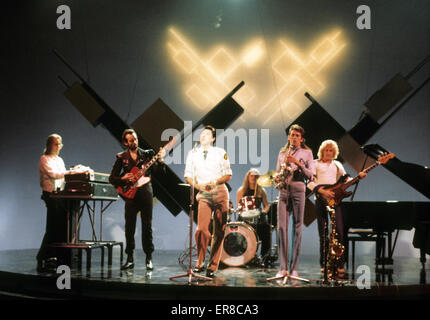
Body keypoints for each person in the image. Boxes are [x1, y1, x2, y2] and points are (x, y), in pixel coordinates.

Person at [109, 129, 165, 271]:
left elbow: (159, 173)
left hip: (146, 192)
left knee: (147, 226)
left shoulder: (148, 154)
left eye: (135, 139)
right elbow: (112, 178)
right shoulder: (122, 157)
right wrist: (123, 178)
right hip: (131, 196)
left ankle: (148, 258)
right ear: (125, 142)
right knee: (129, 228)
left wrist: (160, 161)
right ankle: (130, 259)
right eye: (131, 140)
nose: (134, 142)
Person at [307, 139, 366, 274]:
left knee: (339, 232)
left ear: (334, 152)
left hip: (335, 200)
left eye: (331, 150)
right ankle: (324, 264)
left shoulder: (337, 164)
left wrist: (359, 177)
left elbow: (346, 180)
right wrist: (322, 191)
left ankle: (340, 264)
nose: (328, 152)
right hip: (320, 199)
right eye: (326, 150)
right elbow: (309, 182)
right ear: (322, 151)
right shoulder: (315, 163)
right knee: (323, 233)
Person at [184, 125, 232, 278]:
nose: (203, 136)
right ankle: (200, 261)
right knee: (201, 229)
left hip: (220, 192)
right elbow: (188, 176)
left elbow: (228, 175)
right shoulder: (192, 153)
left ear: (213, 138)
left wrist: (215, 181)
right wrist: (199, 186)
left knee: (219, 231)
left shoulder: (221, 153)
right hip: (204, 193)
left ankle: (212, 266)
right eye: (202, 134)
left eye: (207, 134)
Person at [273, 124, 314, 278]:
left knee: (297, 228)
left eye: (297, 135)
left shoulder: (307, 152)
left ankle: (294, 267)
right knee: (281, 228)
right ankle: (283, 268)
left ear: (301, 139)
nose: (294, 138)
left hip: (298, 190)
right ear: (289, 137)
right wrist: (277, 176)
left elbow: (311, 175)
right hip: (284, 191)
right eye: (292, 135)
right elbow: (277, 172)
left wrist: (297, 163)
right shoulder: (282, 152)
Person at [37, 133, 69, 272]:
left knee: (60, 225)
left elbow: (62, 175)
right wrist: (69, 173)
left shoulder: (60, 160)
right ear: (49, 145)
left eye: (59, 144)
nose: (58, 147)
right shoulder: (44, 159)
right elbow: (53, 174)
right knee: (52, 226)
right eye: (56, 144)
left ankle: (55, 255)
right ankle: (45, 255)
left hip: (60, 194)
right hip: (50, 194)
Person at [236, 168, 272, 265]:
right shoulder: (241, 191)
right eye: (251, 176)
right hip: (244, 218)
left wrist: (263, 212)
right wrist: (242, 211)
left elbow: (266, 206)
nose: (253, 178)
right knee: (241, 232)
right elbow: (239, 206)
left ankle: (264, 258)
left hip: (258, 217)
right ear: (247, 177)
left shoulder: (261, 191)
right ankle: (243, 256)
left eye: (256, 176)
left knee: (266, 229)